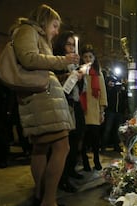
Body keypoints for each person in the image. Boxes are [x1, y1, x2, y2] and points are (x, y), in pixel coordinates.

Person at [10, 4, 79, 206]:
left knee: (40, 148)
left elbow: (38, 67)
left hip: (42, 98)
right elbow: (29, 59)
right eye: (55, 25)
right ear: (44, 20)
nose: (56, 31)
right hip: (42, 100)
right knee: (62, 146)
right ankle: (49, 201)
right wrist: (62, 61)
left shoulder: (33, 34)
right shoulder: (27, 31)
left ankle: (41, 195)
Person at [53, 30, 86, 193]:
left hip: (76, 104)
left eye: (74, 45)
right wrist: (69, 76)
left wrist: (80, 74)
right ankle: (62, 178)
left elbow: (80, 88)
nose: (72, 48)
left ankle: (71, 169)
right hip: (63, 104)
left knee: (76, 138)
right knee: (64, 144)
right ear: (61, 45)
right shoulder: (57, 61)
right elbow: (56, 83)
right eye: (69, 44)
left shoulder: (75, 63)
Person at [79, 44, 107, 172]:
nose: (88, 59)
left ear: (94, 58)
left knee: (96, 139)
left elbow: (103, 93)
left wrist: (102, 111)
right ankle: (85, 161)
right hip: (83, 110)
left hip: (95, 111)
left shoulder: (98, 73)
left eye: (90, 56)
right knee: (84, 139)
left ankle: (96, 160)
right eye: (85, 57)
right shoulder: (79, 72)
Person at [101, 72, 128, 153]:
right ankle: (103, 146)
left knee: (118, 130)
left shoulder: (121, 90)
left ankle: (116, 146)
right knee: (107, 129)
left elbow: (124, 99)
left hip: (119, 112)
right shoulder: (110, 90)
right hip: (111, 111)